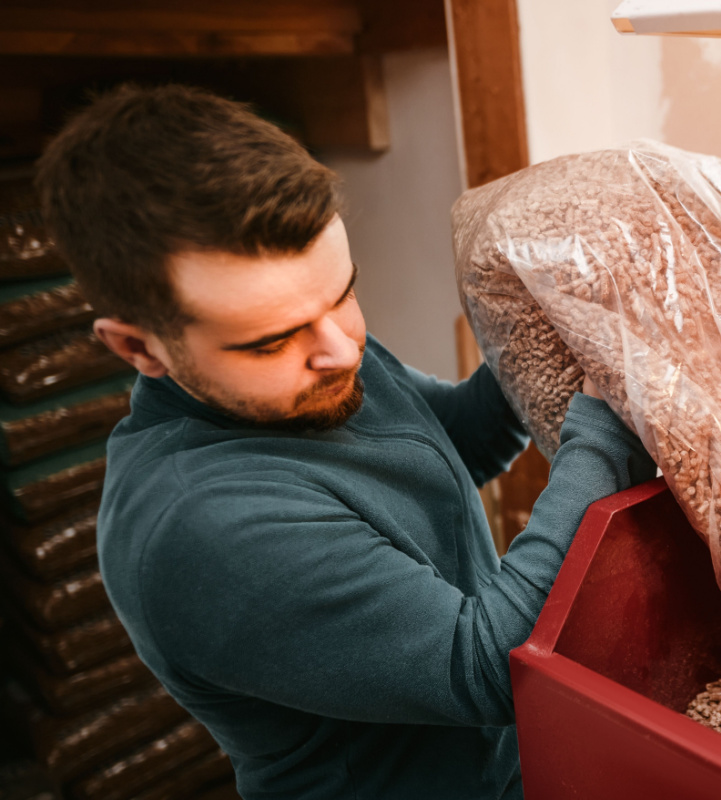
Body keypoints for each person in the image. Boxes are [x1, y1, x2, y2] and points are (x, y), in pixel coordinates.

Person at [35, 83, 657, 799]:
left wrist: (556, 317)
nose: (343, 349)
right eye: (271, 342)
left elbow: (460, 440)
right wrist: (607, 400)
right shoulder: (206, 527)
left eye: (344, 294)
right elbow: (495, 665)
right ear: (138, 347)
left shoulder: (317, 358)